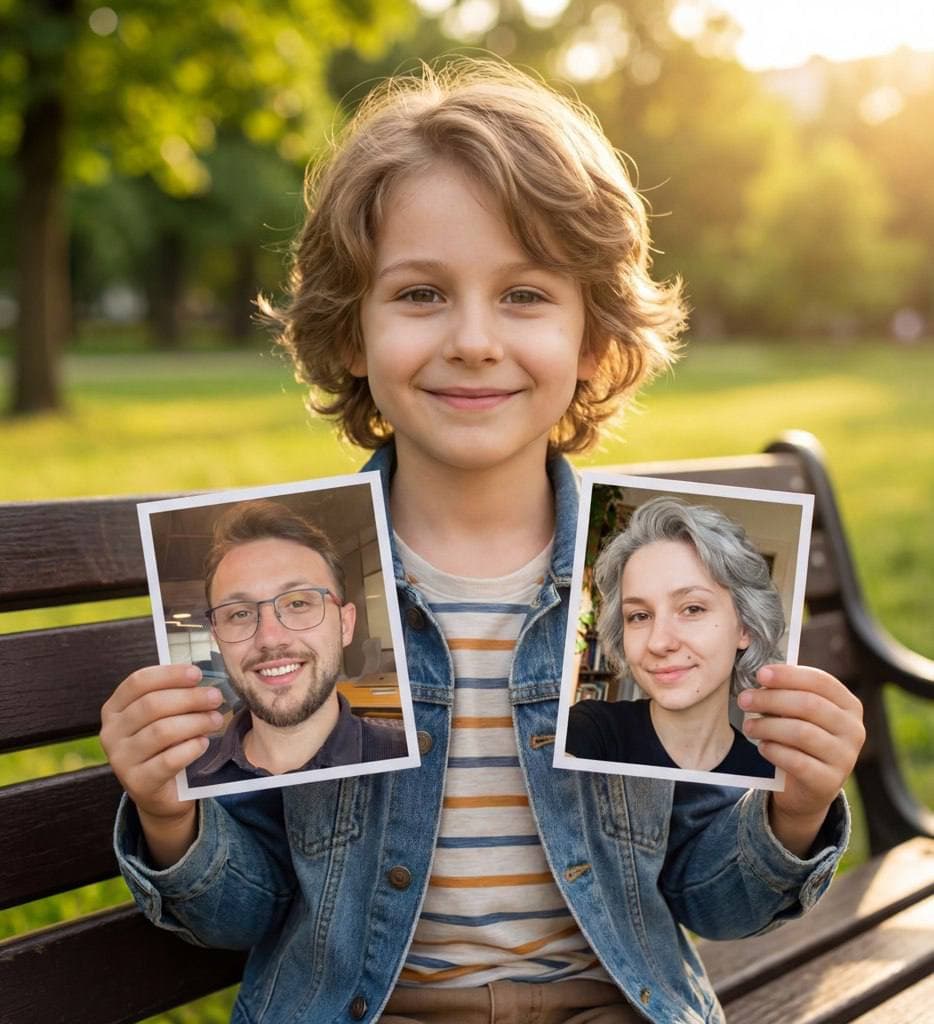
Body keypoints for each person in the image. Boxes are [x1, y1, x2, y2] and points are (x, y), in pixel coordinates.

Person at [99, 59, 865, 1024]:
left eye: (525, 295)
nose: (472, 339)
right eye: (420, 295)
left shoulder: (647, 591)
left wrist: (792, 808)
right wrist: (172, 815)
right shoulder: (279, 599)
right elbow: (240, 910)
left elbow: (713, 900)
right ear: (350, 335)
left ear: (592, 339)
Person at [183, 500, 407, 787]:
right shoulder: (182, 780)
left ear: (345, 625)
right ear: (218, 639)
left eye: (298, 603)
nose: (270, 638)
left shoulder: (407, 760)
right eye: (240, 613)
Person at [566, 497, 783, 778]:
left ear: (745, 628)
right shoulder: (586, 731)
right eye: (639, 616)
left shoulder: (769, 779)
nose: (658, 643)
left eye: (692, 609)